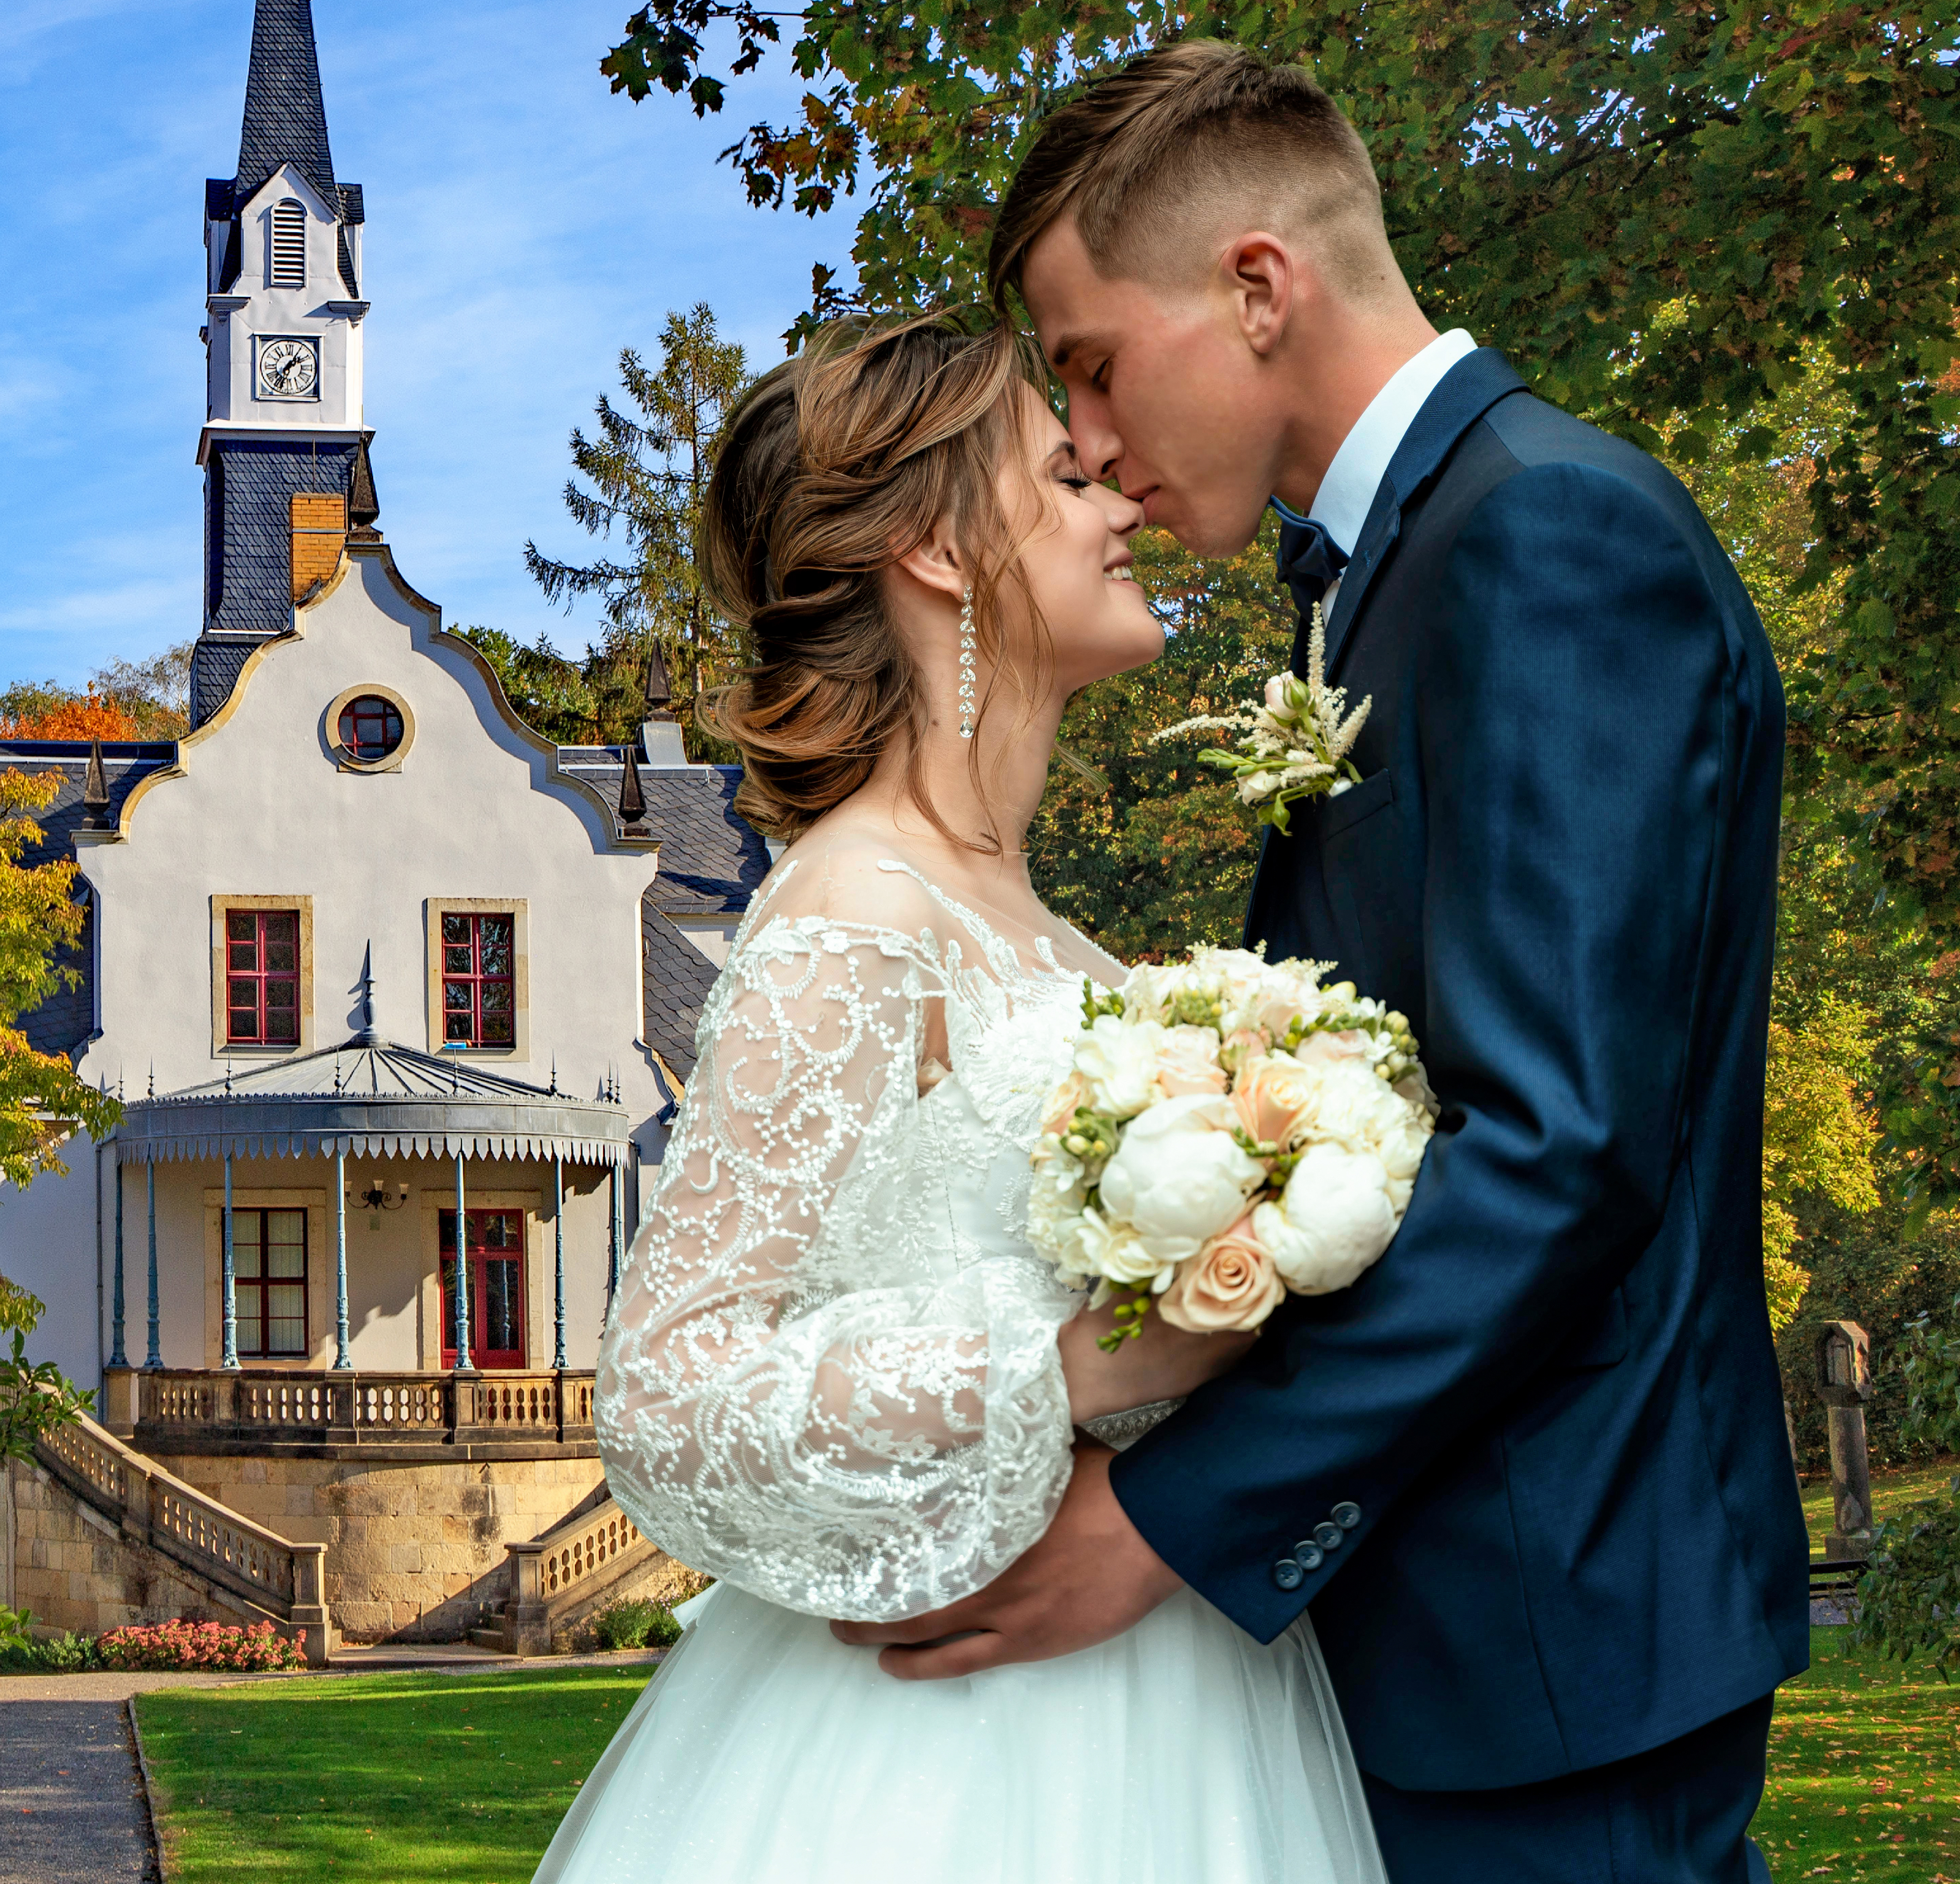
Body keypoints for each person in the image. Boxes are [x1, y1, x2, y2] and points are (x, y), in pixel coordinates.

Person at [833, 40, 1807, 1882]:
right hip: (1452, 1620)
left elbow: (1557, 1151)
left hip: (1550, 1625)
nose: (1086, 438)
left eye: (1090, 364)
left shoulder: (1546, 533)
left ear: (1256, 288)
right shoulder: (1388, 570)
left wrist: (1167, 1515)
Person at [537, 315, 1387, 1884]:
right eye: (1064, 475)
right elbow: (665, 1396)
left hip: (1181, 1687)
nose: (1120, 502)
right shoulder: (853, 912)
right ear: (935, 552)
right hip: (953, 1761)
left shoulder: (1056, 941)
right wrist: (1069, 1362)